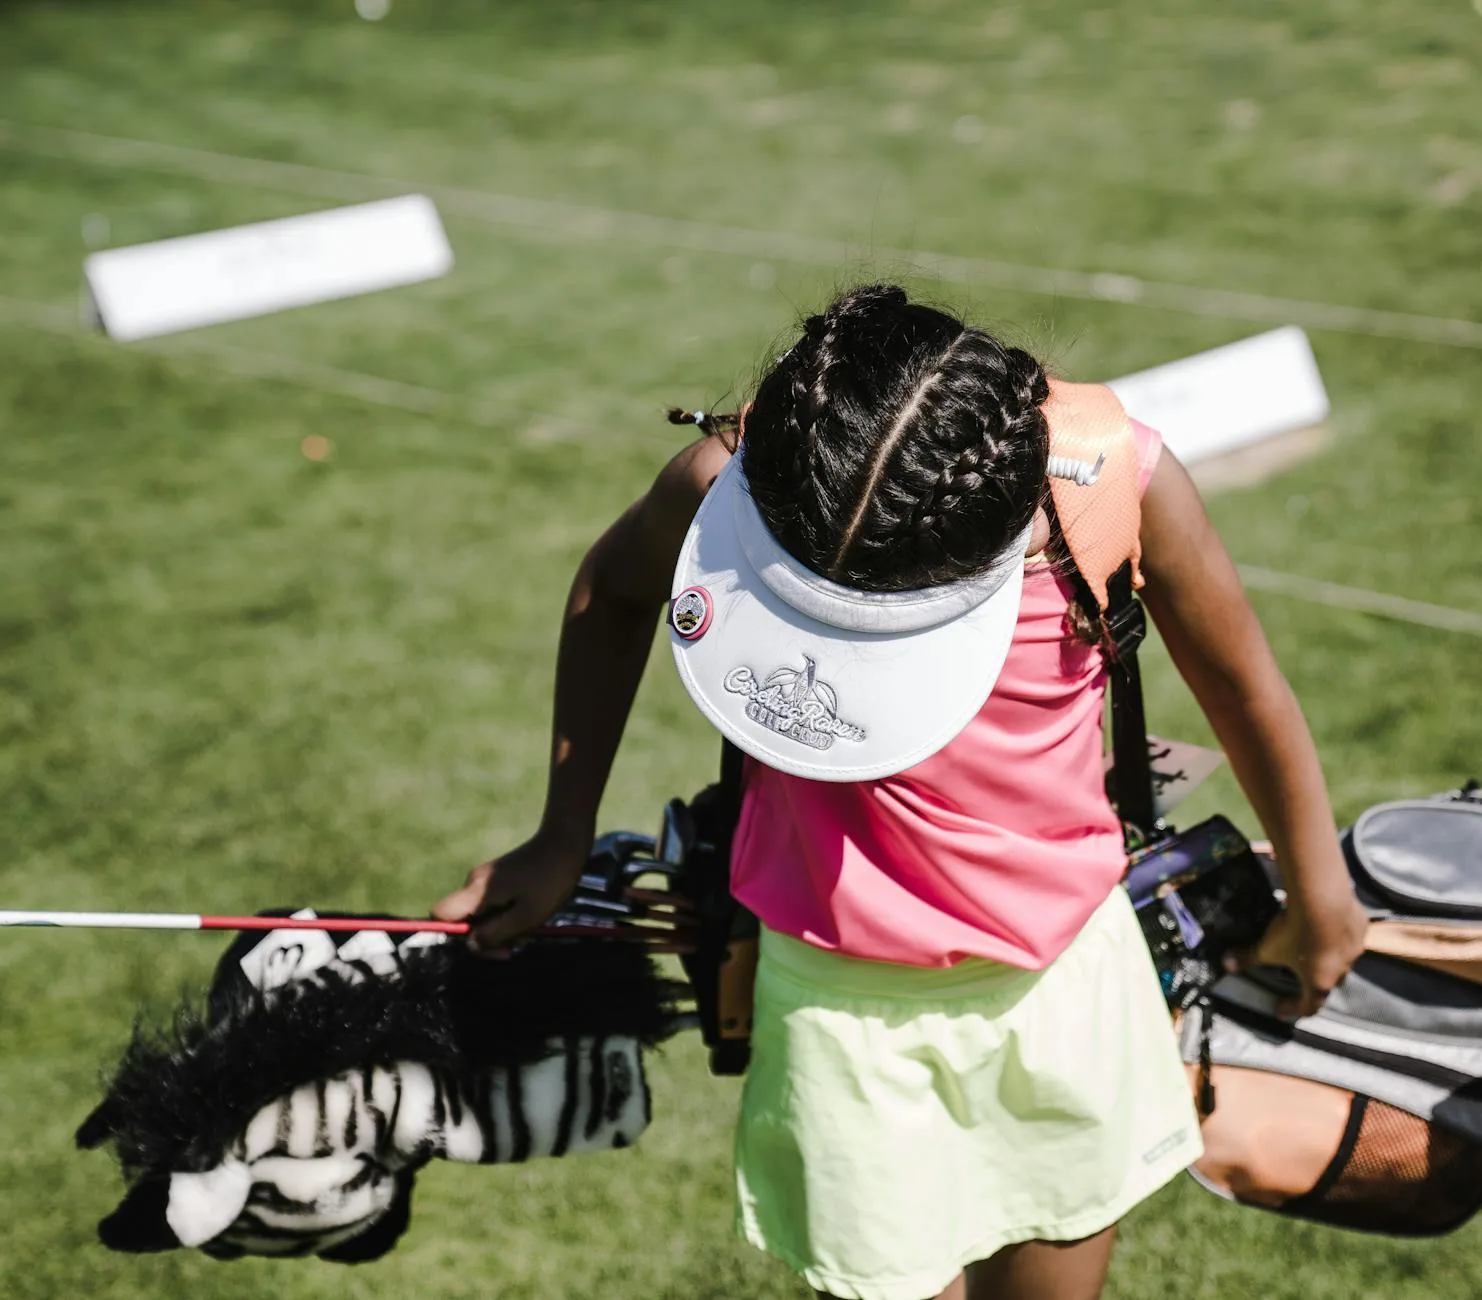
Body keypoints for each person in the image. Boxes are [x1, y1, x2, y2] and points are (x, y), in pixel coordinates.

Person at [433, 284, 1367, 1300]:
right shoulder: (725, 479)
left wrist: (1321, 897)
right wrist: (558, 833)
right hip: (841, 1013)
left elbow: (1241, 686)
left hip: (1066, 986)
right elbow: (613, 589)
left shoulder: (1109, 485)